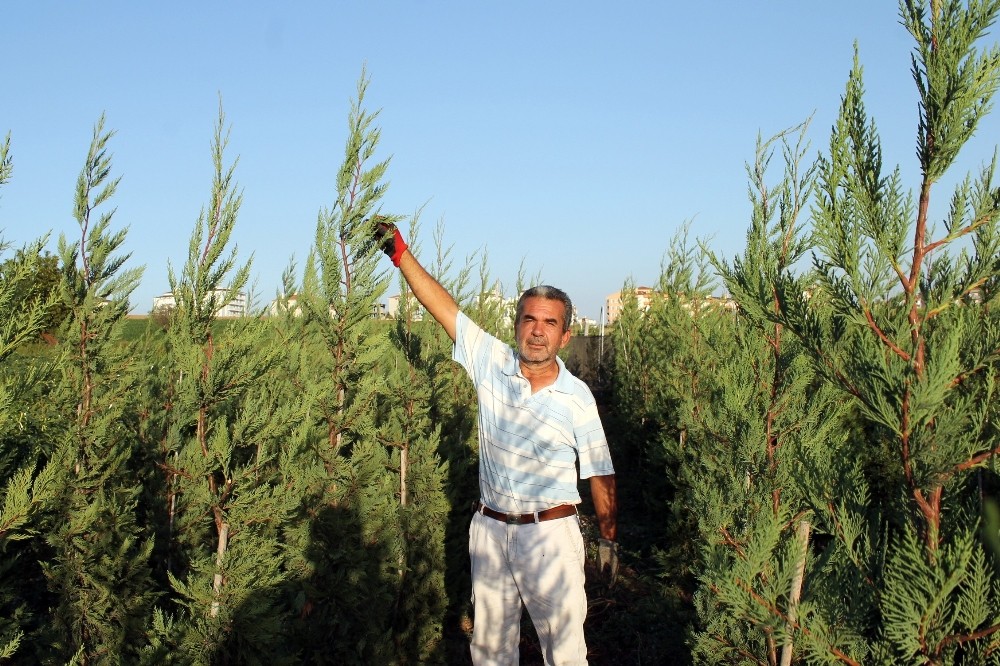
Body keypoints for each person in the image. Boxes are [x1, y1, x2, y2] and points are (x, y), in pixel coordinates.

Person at [375, 220, 618, 665]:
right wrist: (399, 253)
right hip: (489, 531)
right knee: (489, 651)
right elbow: (443, 309)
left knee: (564, 653)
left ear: (566, 336)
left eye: (550, 323)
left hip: (550, 537)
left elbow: (600, 471)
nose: (538, 331)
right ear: (517, 325)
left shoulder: (577, 397)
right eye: (530, 320)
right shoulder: (492, 362)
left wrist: (608, 538)